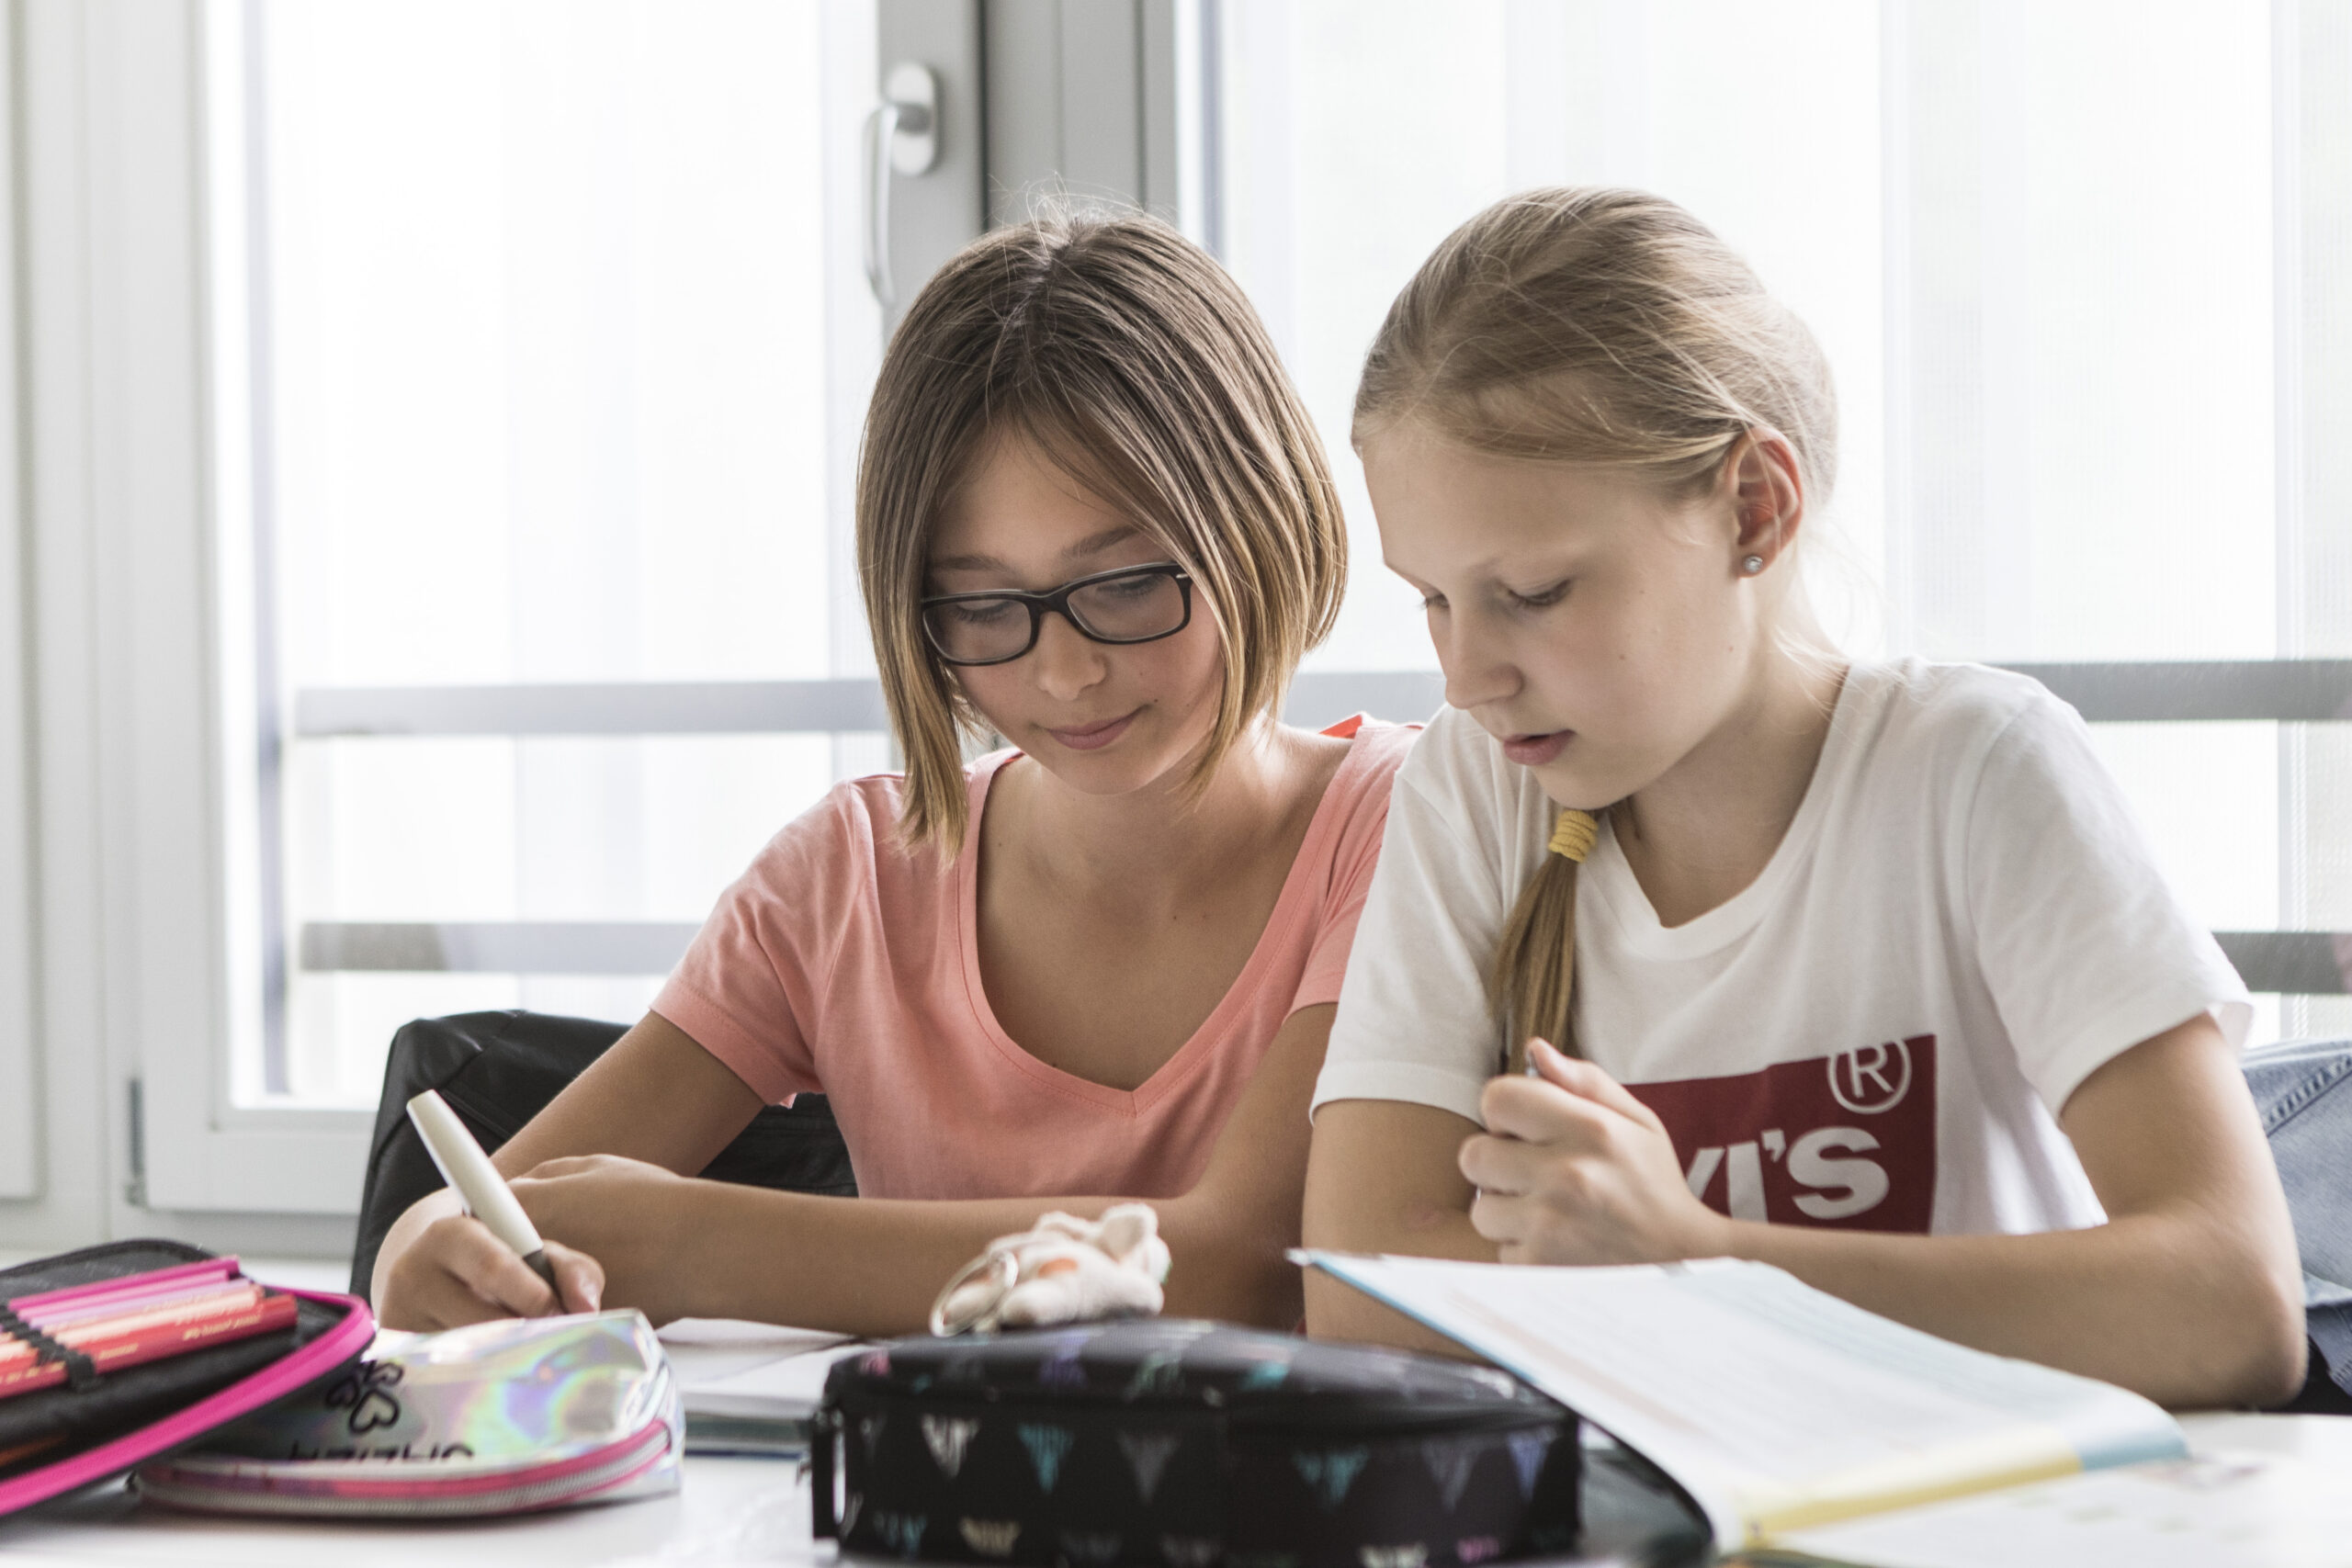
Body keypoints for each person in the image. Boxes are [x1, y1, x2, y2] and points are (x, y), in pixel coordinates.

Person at [1301, 187, 2307, 1409]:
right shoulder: (1476, 788)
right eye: (1435, 599)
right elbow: (1362, 1296)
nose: (1466, 675)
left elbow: (2232, 1303)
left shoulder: (1978, 769)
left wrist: (1702, 1260)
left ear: (1754, 508)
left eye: (1537, 589)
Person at [373, 210, 1413, 1336]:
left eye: (1121, 584)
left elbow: (1247, 1266)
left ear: (1259, 522)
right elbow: (479, 1226)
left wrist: (696, 1243)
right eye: (981, 606)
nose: (1063, 673)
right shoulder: (847, 878)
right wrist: (420, 1251)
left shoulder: (1409, 828)